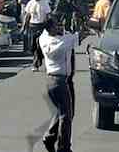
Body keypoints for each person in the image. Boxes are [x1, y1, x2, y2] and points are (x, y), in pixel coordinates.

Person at [38, 19, 78, 152]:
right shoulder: (51, 42)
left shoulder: (49, 36)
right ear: (49, 29)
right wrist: (78, 35)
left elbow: (68, 37)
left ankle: (50, 137)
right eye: (57, 26)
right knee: (66, 115)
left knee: (61, 112)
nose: (60, 28)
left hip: (59, 80)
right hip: (58, 81)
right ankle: (63, 148)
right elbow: (67, 42)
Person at [24, 0, 51, 71]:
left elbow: (48, 15)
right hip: (32, 26)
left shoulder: (44, 2)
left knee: (39, 46)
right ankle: (38, 59)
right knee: (33, 47)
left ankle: (36, 64)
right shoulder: (31, 3)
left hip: (41, 26)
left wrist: (48, 26)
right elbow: (27, 16)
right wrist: (24, 26)